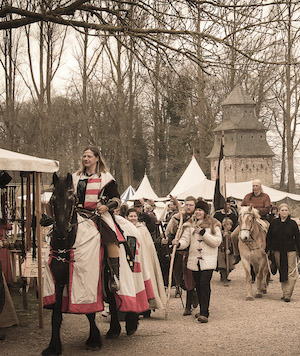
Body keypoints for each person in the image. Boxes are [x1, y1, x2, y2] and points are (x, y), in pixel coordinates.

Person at [72, 146, 121, 291]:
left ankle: (114, 275)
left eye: (89, 156)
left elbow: (117, 199)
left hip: (98, 214)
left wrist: (106, 207)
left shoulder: (106, 178)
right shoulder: (76, 177)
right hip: (78, 214)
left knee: (111, 237)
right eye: (84, 156)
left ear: (97, 158)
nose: (86, 159)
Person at [172, 199, 222, 323]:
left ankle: (205, 312)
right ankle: (201, 309)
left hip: (208, 260)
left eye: (200, 210)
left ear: (205, 212)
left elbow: (216, 242)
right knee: (198, 286)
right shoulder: (189, 225)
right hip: (195, 261)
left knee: (204, 284)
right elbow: (185, 240)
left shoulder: (214, 224)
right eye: (197, 210)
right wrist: (178, 244)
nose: (198, 212)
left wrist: (204, 233)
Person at [125, 208, 166, 317]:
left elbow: (148, 247)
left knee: (145, 282)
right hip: (130, 261)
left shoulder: (142, 229)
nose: (133, 218)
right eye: (131, 216)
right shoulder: (124, 228)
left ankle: (148, 307)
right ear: (126, 217)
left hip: (143, 261)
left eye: (134, 216)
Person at [163, 196, 199, 316]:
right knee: (177, 278)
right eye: (187, 204)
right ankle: (193, 294)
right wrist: (168, 240)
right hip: (179, 252)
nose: (188, 207)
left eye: (191, 205)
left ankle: (188, 305)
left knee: (190, 279)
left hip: (194, 252)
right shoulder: (177, 218)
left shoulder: (199, 218)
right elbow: (170, 233)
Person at [266, 203, 300, 302]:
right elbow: (269, 237)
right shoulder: (274, 223)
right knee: (282, 270)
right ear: (279, 211)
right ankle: (285, 291)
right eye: (282, 210)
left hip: (290, 251)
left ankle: (287, 294)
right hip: (277, 251)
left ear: (288, 212)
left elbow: (298, 238)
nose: (284, 212)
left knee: (291, 272)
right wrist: (267, 249)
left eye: (286, 210)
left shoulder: (293, 224)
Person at [232, 179, 271, 265]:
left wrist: (254, 211)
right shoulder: (247, 197)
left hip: (261, 219)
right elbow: (242, 208)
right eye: (253, 186)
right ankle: (237, 255)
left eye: (256, 186)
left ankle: (269, 252)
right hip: (247, 220)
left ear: (260, 187)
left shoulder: (265, 197)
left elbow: (267, 209)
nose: (255, 188)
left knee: (269, 231)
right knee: (233, 235)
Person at [217, 218, 235, 286]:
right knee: (223, 266)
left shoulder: (232, 234)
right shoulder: (220, 233)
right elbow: (218, 241)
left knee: (230, 265)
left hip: (229, 252)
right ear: (223, 226)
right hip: (221, 251)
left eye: (230, 225)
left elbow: (233, 243)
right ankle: (224, 279)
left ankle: (225, 276)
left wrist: (230, 250)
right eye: (227, 225)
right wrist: (223, 237)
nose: (229, 226)